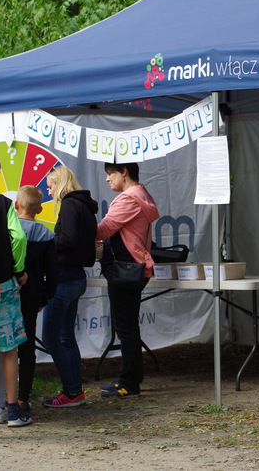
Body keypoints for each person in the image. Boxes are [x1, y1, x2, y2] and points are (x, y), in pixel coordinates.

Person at [97, 162, 159, 398]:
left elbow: (103, 231)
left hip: (124, 270)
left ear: (124, 172)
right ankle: (127, 378)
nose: (107, 179)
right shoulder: (142, 195)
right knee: (127, 326)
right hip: (133, 268)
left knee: (126, 328)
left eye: (110, 174)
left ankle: (130, 383)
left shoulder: (128, 199)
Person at [42, 167, 98, 407]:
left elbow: (68, 239)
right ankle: (75, 391)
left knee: (51, 337)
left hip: (64, 279)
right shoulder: (84, 206)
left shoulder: (69, 205)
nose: (49, 191)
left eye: (50, 186)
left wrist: (46, 244)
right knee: (66, 336)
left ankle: (71, 390)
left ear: (60, 183)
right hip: (76, 277)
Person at [0, 193, 31, 427]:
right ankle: (12, 409)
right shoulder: (3, 202)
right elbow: (19, 237)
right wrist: (18, 268)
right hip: (3, 282)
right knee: (9, 347)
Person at [15, 185, 58, 411]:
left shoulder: (9, 231)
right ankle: (23, 398)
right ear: (40, 210)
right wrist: (45, 298)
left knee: (2, 347)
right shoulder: (46, 235)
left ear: (16, 205)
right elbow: (53, 272)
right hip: (32, 296)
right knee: (27, 345)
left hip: (6, 294)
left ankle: (2, 397)